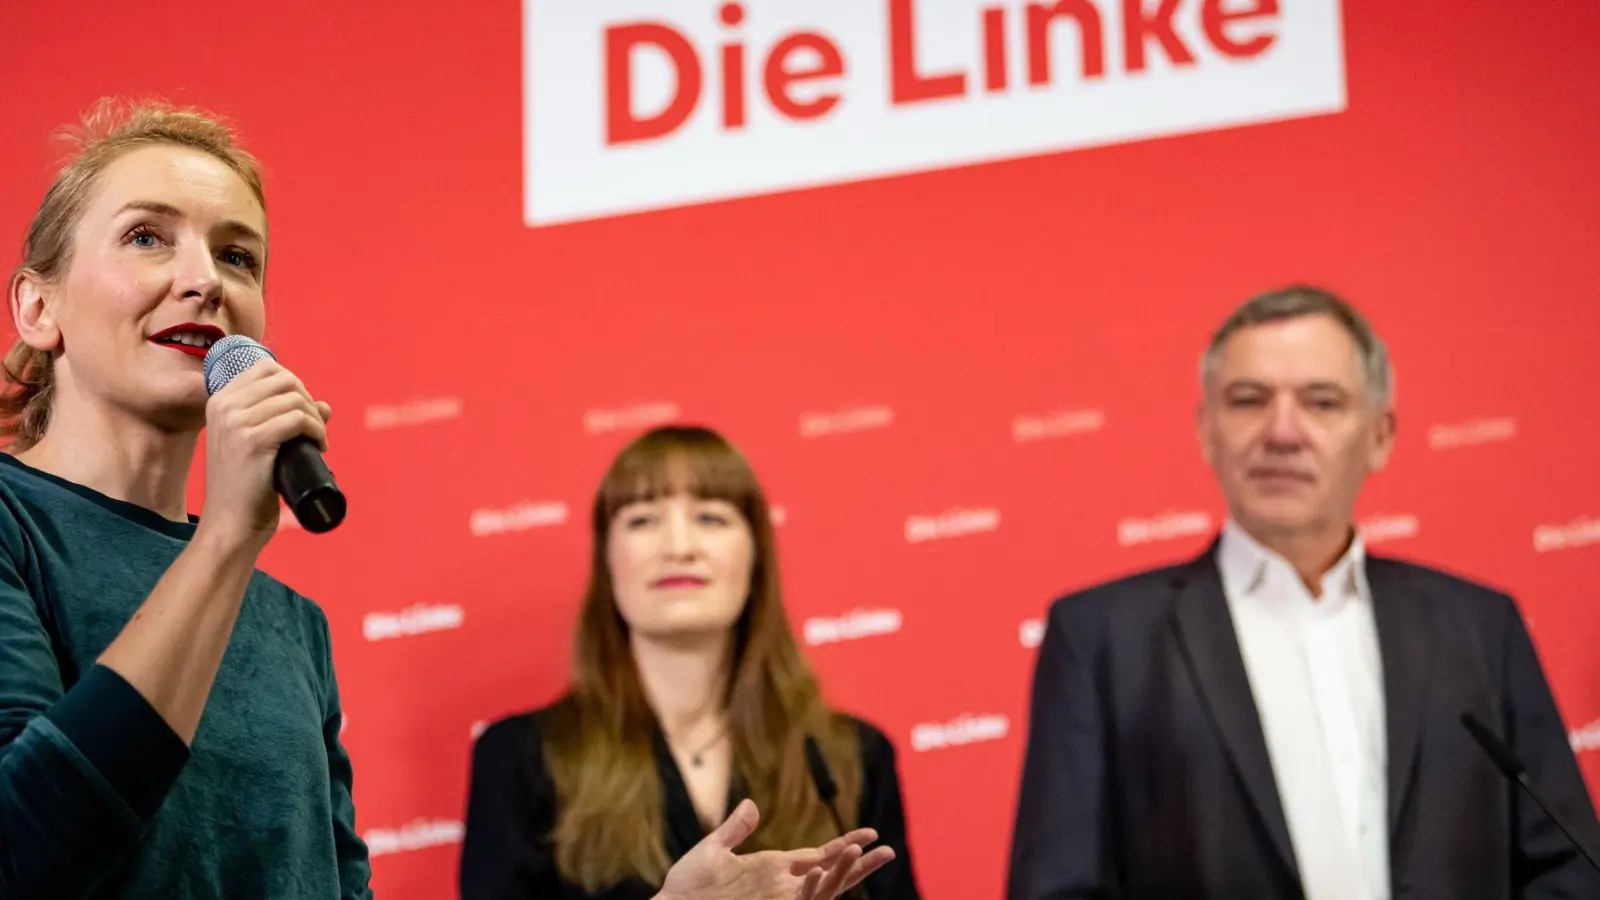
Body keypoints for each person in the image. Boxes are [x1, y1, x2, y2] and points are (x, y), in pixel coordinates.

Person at [1007, 285, 1600, 900]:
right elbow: (1057, 887)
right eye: (1247, 401)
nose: (1282, 432)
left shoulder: (1479, 627)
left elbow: (1571, 868)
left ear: (1380, 435)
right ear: (1206, 429)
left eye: (1322, 402)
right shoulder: (1103, 639)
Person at [0, 99, 368, 897]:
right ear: (38, 307)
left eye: (238, 257)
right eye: (145, 237)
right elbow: (20, 853)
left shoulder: (292, 624)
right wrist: (229, 535)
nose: (204, 281)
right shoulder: (12, 526)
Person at [460, 425, 921, 900]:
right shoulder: (520, 759)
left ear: (755, 556)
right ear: (607, 560)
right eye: (643, 520)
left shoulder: (855, 755)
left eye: (710, 517)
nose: (679, 547)